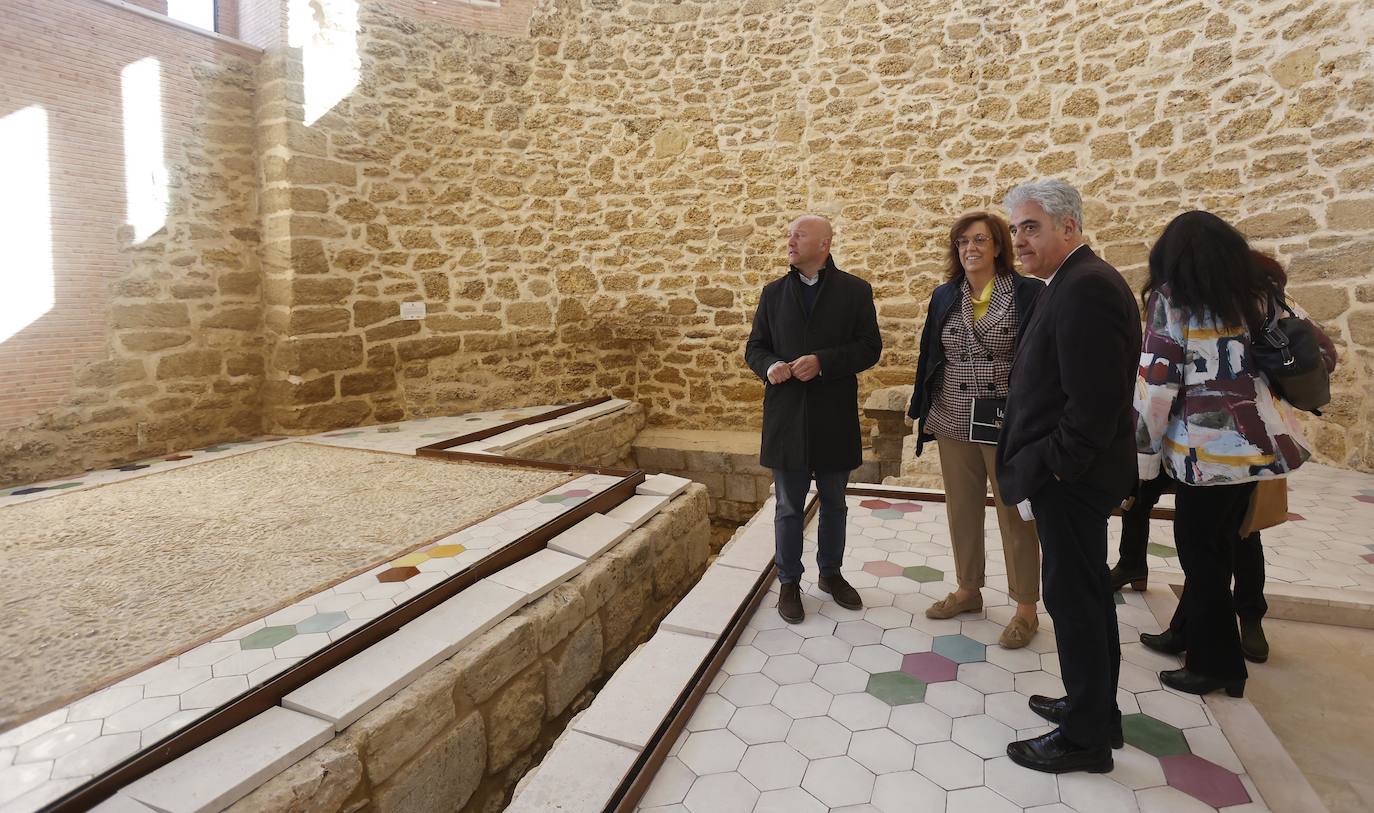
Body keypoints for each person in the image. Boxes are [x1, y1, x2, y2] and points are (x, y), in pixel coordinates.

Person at [995, 180, 1141, 775]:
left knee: (1074, 602)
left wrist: (1053, 467)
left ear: (1069, 228)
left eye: (1031, 227)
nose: (1019, 240)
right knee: (1083, 597)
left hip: (1072, 479)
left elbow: (1094, 404)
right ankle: (1095, 709)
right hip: (1072, 476)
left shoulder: (1085, 289)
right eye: (1016, 229)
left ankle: (1086, 739)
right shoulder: (1072, 282)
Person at [1135, 232, 1320, 686]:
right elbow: (1321, 350)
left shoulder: (1172, 299)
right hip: (1260, 447)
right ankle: (1184, 631)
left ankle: (1215, 666)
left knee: (1202, 557)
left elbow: (1157, 386)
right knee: (1218, 547)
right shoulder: (1260, 295)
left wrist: (1142, 459)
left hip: (1206, 457)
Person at [907, 212, 1044, 649]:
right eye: (963, 241)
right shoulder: (945, 295)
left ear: (999, 246)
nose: (970, 248)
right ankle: (968, 589)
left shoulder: (1027, 293)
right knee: (961, 508)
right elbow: (931, 353)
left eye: (980, 240)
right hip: (952, 414)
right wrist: (919, 407)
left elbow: (1040, 358)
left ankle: (1026, 608)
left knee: (1014, 513)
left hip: (1006, 419)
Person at [745, 215, 882, 624]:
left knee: (835, 503)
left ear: (824, 243)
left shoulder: (855, 291)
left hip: (833, 416)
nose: (789, 240)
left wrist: (823, 362)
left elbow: (869, 348)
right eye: (789, 234)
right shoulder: (772, 294)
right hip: (786, 418)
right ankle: (789, 582)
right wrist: (769, 366)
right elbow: (755, 347)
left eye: (798, 234)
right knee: (787, 507)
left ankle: (831, 575)